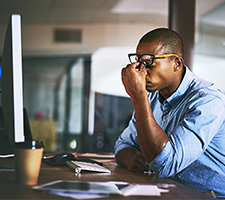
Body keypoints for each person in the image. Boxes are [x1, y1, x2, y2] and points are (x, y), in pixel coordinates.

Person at [114, 28, 225, 198]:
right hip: (169, 192)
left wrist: (138, 96)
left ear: (177, 63)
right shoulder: (151, 97)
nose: (141, 71)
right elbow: (123, 144)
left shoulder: (208, 101)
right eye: (138, 61)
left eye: (149, 61)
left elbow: (164, 164)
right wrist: (131, 159)